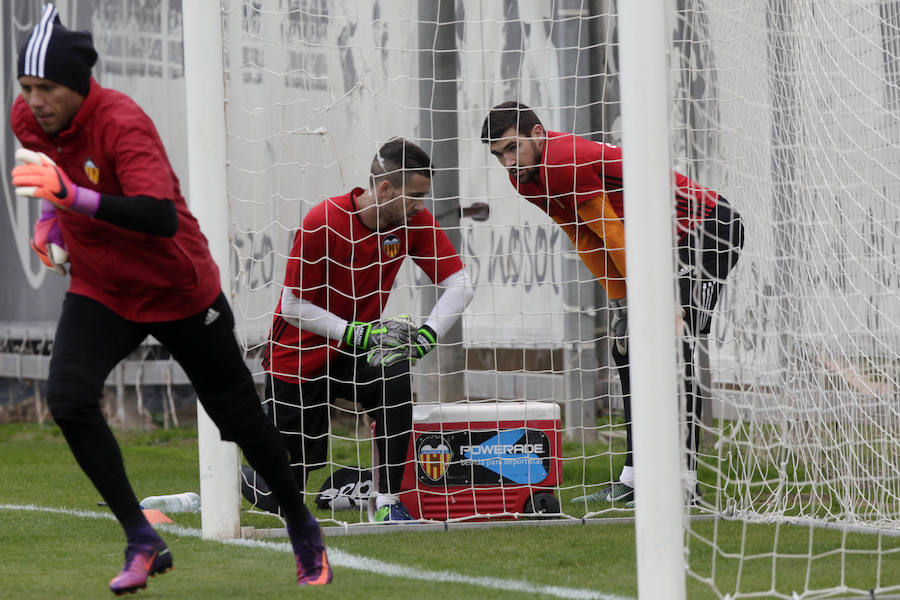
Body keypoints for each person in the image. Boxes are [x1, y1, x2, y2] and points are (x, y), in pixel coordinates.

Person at [9, 5, 331, 594]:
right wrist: (51, 225)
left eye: (46, 88)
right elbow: (55, 179)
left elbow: (157, 216)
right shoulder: (28, 120)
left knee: (239, 418)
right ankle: (141, 538)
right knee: (68, 398)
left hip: (177, 287)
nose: (34, 100)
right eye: (26, 87)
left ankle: (301, 525)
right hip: (103, 288)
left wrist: (71, 198)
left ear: (79, 84)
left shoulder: (122, 122)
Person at [480, 101, 744, 507]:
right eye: (499, 155)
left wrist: (658, 303)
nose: (508, 162)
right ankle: (634, 478)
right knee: (627, 349)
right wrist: (622, 304)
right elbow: (584, 236)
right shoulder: (526, 180)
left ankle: (685, 482)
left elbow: (612, 233)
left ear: (538, 135)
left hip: (706, 230)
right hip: (659, 246)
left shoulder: (562, 161)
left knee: (676, 349)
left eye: (513, 148)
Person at [245, 137, 474, 522]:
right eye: (416, 195)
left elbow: (461, 284)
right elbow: (292, 306)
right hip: (298, 356)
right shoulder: (323, 221)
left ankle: (387, 503)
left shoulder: (413, 221)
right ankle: (243, 478)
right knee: (285, 493)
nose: (422, 205)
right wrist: (355, 333)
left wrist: (427, 335)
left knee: (394, 374)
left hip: (355, 349)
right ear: (385, 189)